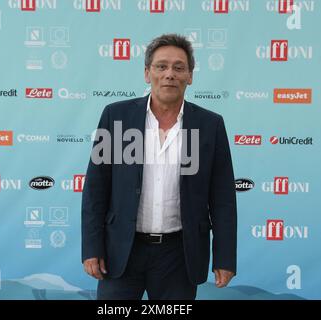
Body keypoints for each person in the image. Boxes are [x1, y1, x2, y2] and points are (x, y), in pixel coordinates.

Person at [81, 33, 237, 300]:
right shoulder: (116, 117)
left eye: (179, 68)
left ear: (190, 75)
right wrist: (92, 247)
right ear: (147, 73)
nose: (169, 75)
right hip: (122, 251)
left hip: (179, 255)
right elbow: (96, 188)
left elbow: (222, 198)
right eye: (161, 66)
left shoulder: (209, 125)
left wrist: (225, 256)